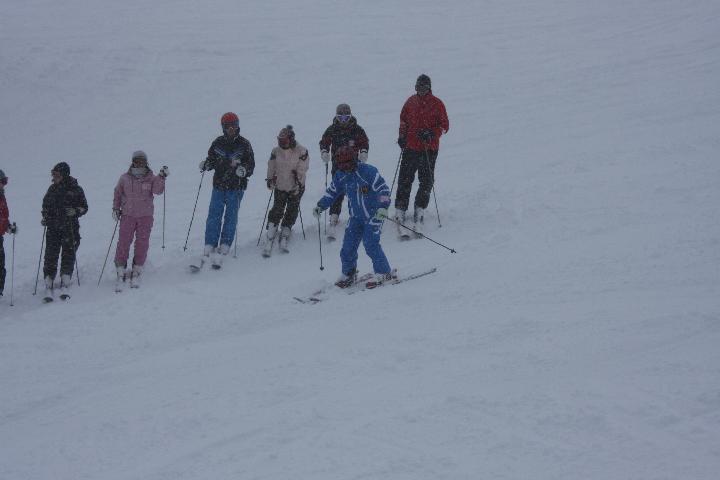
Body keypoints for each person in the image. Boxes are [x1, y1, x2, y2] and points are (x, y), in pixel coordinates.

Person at [312, 146, 393, 289]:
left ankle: (384, 272)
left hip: (374, 215)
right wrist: (321, 205)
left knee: (370, 244)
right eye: (341, 164)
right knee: (347, 247)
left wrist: (383, 207)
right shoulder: (341, 175)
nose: (344, 167)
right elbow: (332, 192)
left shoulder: (368, 171)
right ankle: (349, 274)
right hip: (355, 218)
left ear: (354, 160)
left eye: (347, 163)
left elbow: (383, 190)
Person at [394, 74, 449, 238]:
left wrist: (432, 133)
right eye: (418, 87)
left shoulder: (437, 103)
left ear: (429, 88)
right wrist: (402, 136)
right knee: (405, 178)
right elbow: (403, 121)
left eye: (424, 87)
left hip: (428, 148)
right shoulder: (410, 102)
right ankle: (400, 208)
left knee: (426, 180)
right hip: (410, 147)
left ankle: (420, 208)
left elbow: (445, 126)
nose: (421, 90)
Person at [198, 112, 255, 268]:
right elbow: (212, 159)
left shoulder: (244, 144)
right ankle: (210, 244)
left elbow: (251, 164)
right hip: (219, 185)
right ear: (223, 127)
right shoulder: (218, 143)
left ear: (237, 126)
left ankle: (225, 245)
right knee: (214, 215)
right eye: (228, 126)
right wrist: (207, 164)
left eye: (233, 125)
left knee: (231, 216)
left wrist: (244, 169)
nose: (231, 128)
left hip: (236, 186)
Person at [112, 151, 168, 290]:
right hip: (127, 215)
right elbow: (118, 193)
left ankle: (137, 268)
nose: (139, 163)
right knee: (124, 241)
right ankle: (120, 268)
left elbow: (158, 191)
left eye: (142, 161)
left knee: (142, 242)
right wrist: (116, 208)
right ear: (133, 162)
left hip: (145, 216)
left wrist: (161, 177)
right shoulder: (124, 178)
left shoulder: (151, 178)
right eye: (137, 161)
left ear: (146, 162)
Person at [318, 103, 369, 240]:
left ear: (350, 116)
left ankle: (359, 216)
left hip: (355, 166)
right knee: (337, 191)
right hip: (338, 165)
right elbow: (324, 142)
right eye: (340, 117)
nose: (343, 120)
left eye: (346, 117)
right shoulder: (332, 129)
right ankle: (333, 217)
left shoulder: (356, 129)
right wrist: (324, 152)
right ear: (336, 117)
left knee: (356, 190)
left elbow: (364, 142)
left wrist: (364, 151)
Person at [41, 162, 88, 300]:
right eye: (53, 174)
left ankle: (65, 277)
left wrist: (76, 211)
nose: (54, 177)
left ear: (64, 175)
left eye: (57, 175)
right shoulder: (52, 189)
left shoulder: (76, 189)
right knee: (50, 254)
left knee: (69, 253)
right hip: (53, 227)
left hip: (70, 228)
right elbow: (45, 205)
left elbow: (84, 207)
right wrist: (45, 216)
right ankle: (49, 279)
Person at [263, 125, 309, 255]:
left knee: (292, 209)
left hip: (295, 187)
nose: (282, 143)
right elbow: (271, 166)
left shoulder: (301, 151)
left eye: (284, 141)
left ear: (291, 139)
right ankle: (271, 229)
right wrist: (270, 179)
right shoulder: (275, 151)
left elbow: (303, 168)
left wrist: (298, 183)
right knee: (277, 208)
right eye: (280, 140)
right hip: (280, 186)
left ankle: (286, 229)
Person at [0, 169, 18, 298]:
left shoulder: (2, 196)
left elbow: (3, 216)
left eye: (4, 181)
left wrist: (8, 227)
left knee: (1, 265)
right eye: (2, 181)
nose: (3, 184)